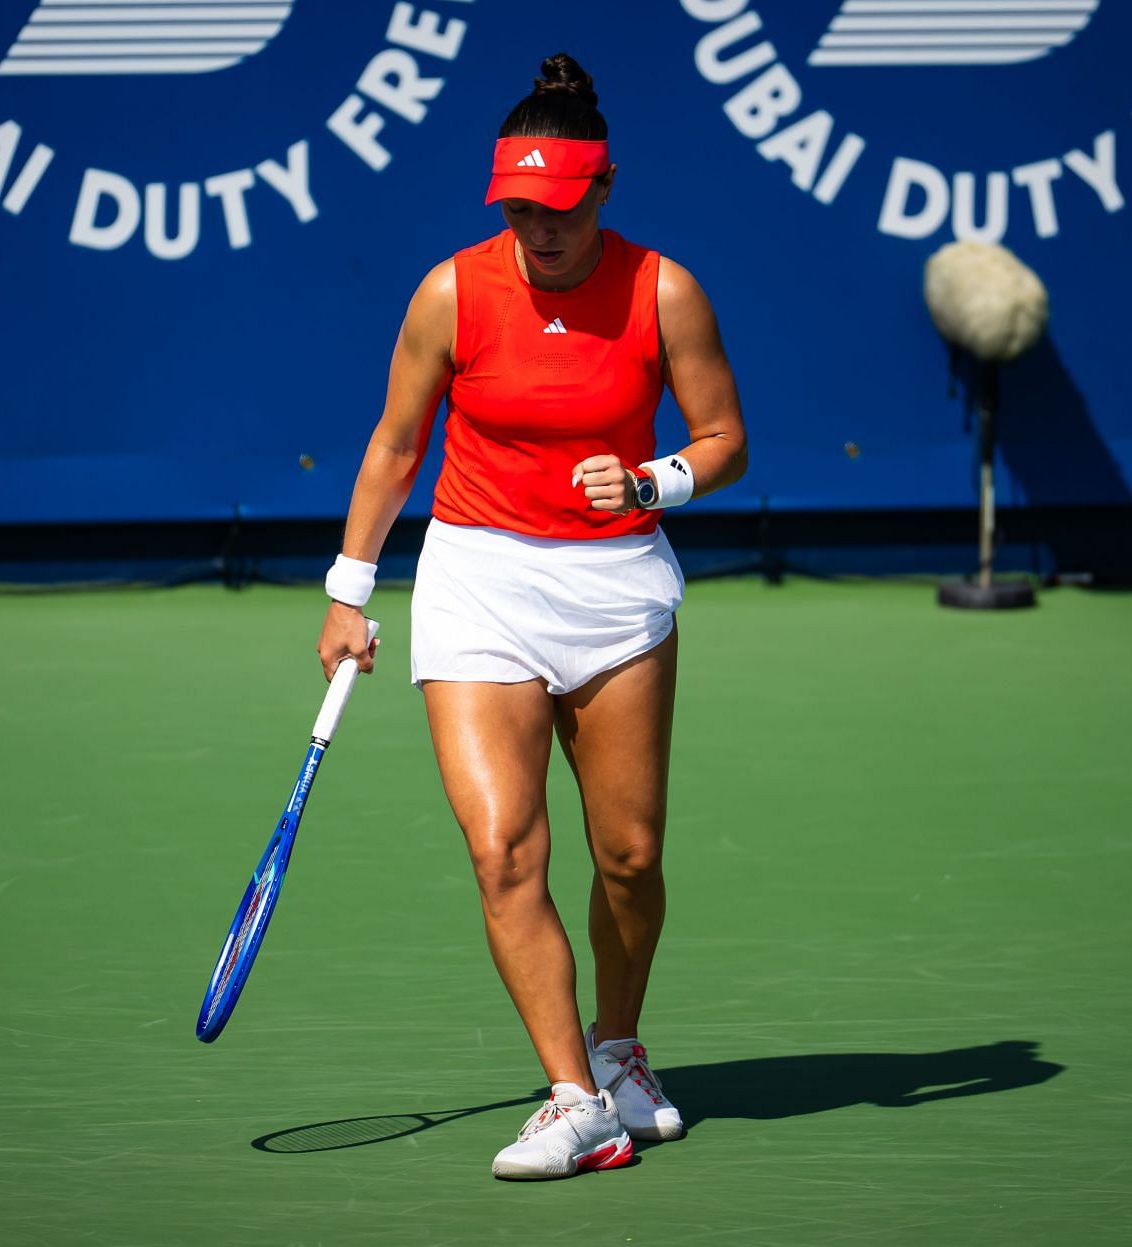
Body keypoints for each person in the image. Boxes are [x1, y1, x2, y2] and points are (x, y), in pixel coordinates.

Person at [315, 52, 748, 1180]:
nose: (539, 231)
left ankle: (620, 1049)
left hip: (616, 590)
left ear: (602, 190)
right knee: (505, 848)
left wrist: (654, 482)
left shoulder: (665, 290)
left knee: (629, 856)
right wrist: (348, 591)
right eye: (519, 208)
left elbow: (725, 441)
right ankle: (572, 1096)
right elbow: (397, 445)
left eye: (558, 210)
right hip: (476, 581)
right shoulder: (452, 290)